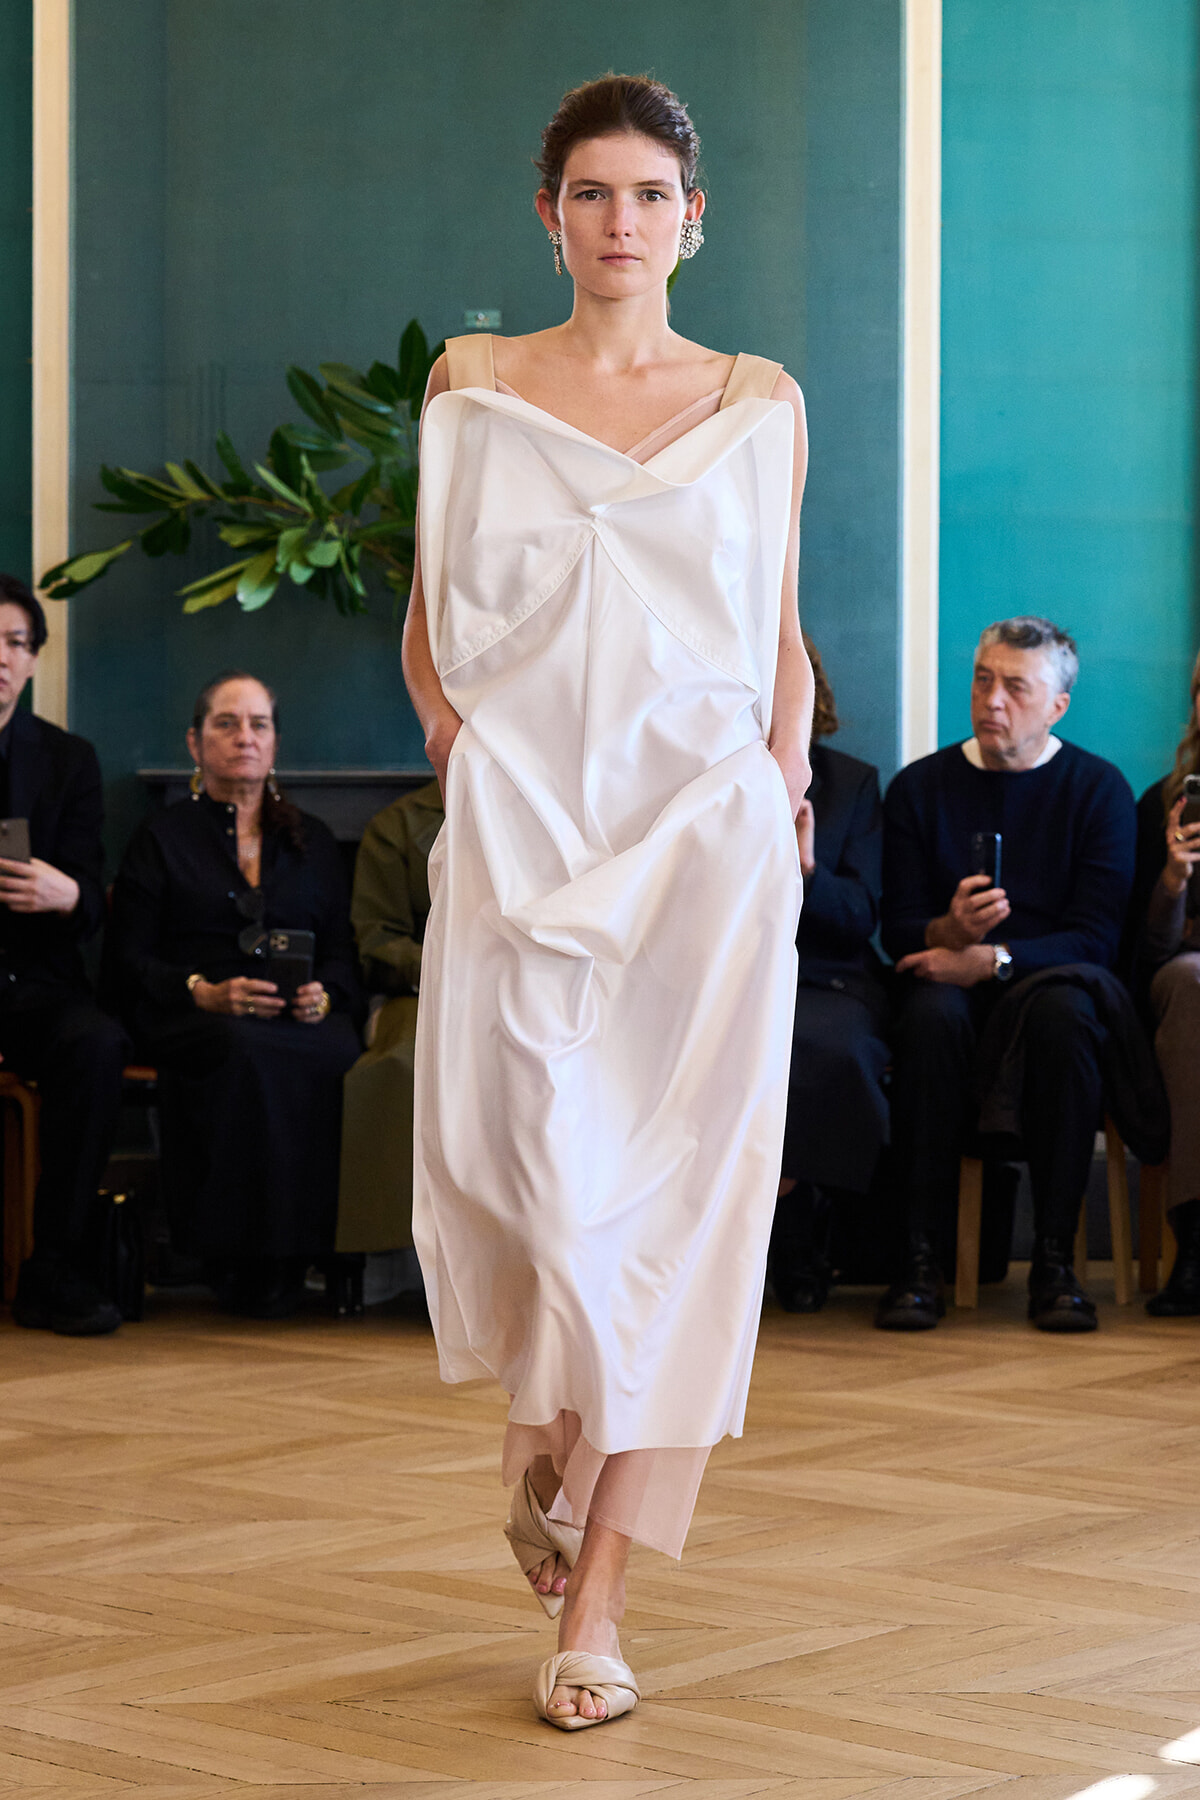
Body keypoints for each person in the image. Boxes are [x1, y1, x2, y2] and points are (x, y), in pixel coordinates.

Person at [401, 75, 811, 1730]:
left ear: (690, 219)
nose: (621, 221)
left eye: (650, 195)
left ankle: (600, 1599)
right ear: (549, 213)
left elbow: (781, 625)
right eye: (592, 194)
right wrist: (456, 756)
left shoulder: (760, 396)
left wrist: (782, 789)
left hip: (706, 847)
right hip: (525, 837)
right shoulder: (473, 386)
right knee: (529, 1172)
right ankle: (549, 1443)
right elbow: (432, 620)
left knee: (686, 1216)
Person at [879, 617, 1136, 1334]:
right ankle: (917, 1261)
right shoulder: (918, 790)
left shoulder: (1098, 791)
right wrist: (947, 932)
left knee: (1065, 1016)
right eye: (983, 680)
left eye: (1016, 687)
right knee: (928, 1018)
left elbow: (1097, 939)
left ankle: (1054, 1264)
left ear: (1056, 704)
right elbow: (898, 931)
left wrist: (990, 959)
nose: (993, 700)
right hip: (943, 994)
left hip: (1049, 992)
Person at [108, 671, 361, 1318]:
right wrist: (204, 992)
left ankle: (311, 1252)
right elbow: (128, 960)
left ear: (275, 743)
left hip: (298, 1018)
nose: (243, 737)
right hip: (192, 1015)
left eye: (258, 724)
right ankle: (237, 1259)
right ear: (195, 744)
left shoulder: (314, 842)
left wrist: (325, 997)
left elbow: (341, 954)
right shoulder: (161, 839)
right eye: (226, 723)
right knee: (242, 1047)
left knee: (334, 1049)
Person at [0, 574, 131, 1336]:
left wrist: (70, 895)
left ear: (35, 661)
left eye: (16, 643)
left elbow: (88, 898)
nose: (3, 658)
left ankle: (54, 1266)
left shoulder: (68, 760)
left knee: (97, 1044)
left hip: (36, 982)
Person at [768, 637, 889, 1312]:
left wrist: (806, 867)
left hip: (825, 975)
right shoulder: (707, 778)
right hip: (727, 974)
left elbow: (861, 917)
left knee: (822, 1047)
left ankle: (798, 1221)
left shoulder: (851, 783)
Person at [336, 778, 443, 1261]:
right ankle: (410, 1254)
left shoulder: (541, 801)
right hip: (423, 990)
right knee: (411, 1064)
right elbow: (377, 941)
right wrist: (454, 964)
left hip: (524, 983)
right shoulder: (397, 826)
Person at [1132, 647, 1200, 1315]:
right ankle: (1196, 1243)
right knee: (1192, 980)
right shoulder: (1164, 803)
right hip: (1182, 981)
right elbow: (1145, 952)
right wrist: (1174, 881)